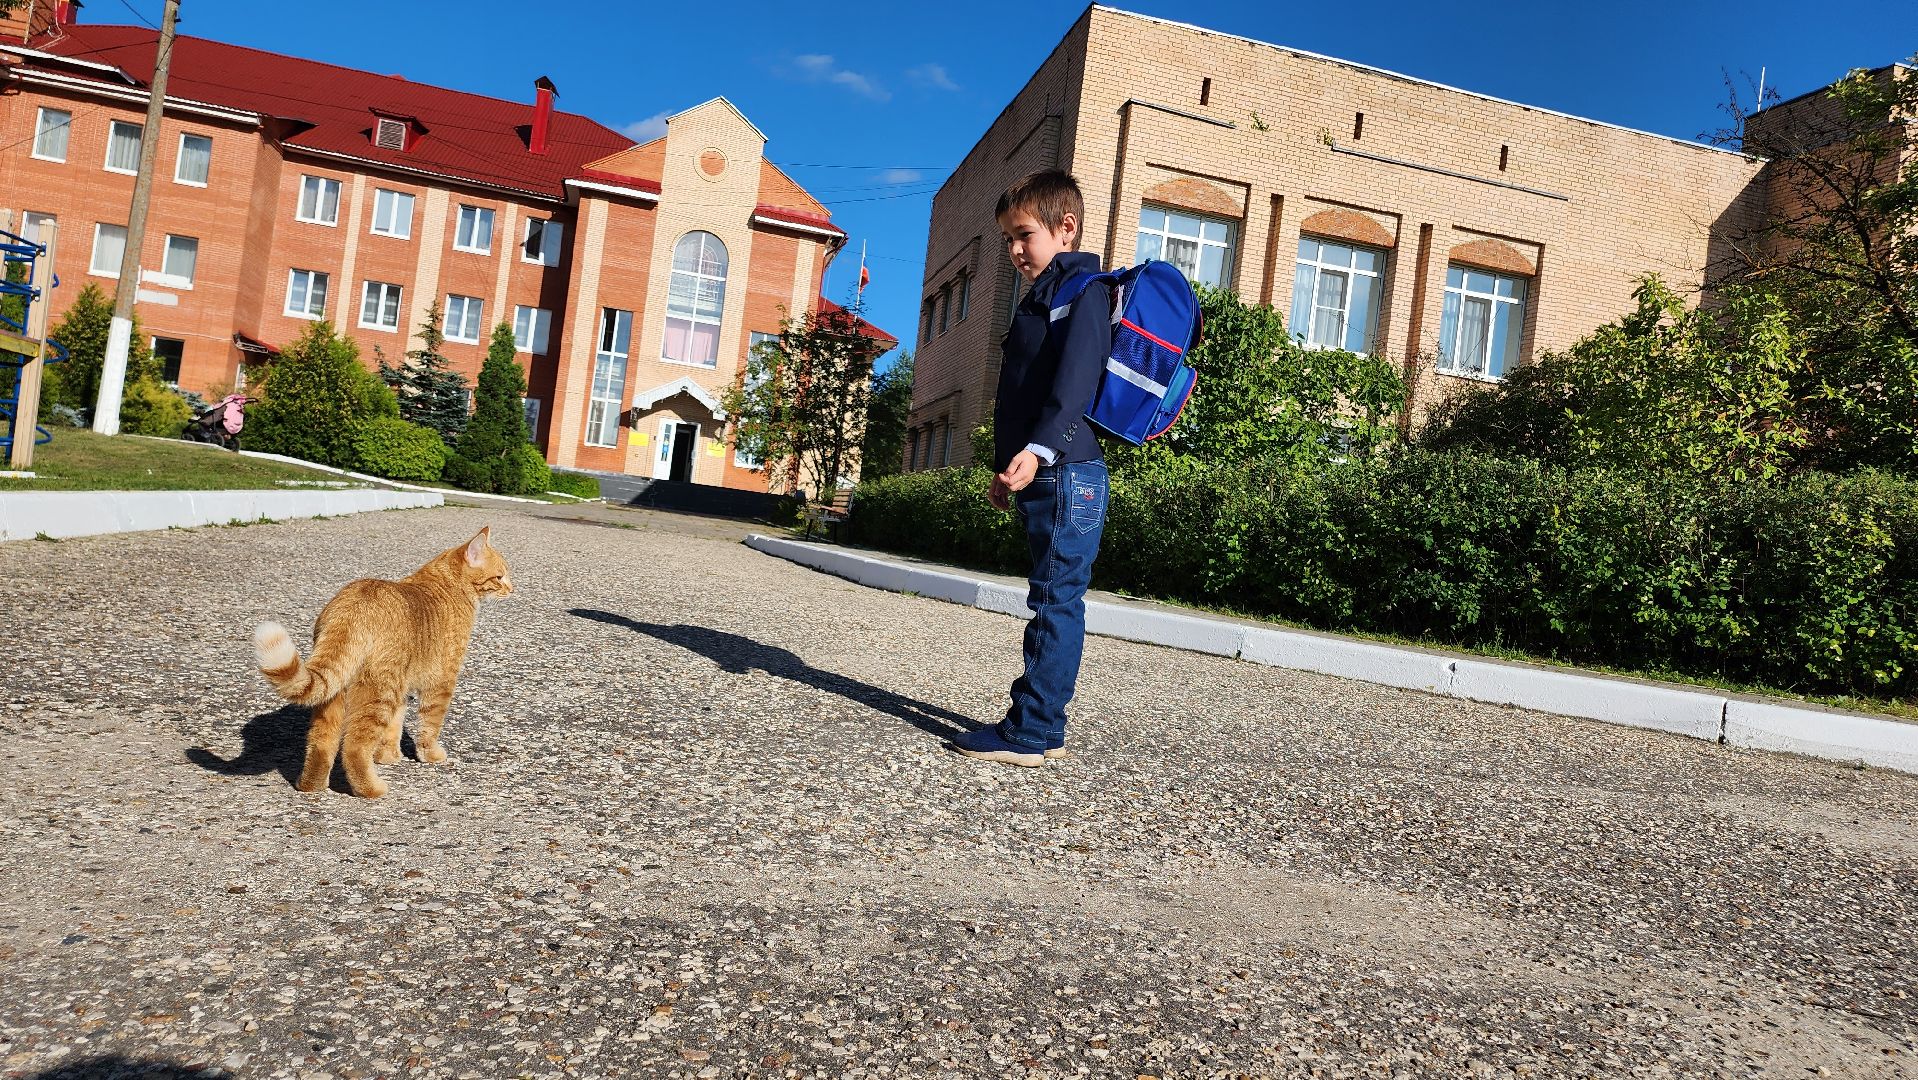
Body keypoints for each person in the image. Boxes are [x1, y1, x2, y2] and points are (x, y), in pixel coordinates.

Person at [949, 170, 1111, 768]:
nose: (1014, 251)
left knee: (1056, 601)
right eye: (1008, 239)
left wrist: (1039, 452)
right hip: (1053, 471)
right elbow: (1022, 392)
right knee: (1052, 597)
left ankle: (1032, 732)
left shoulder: (1083, 290)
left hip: (1070, 472)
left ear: (1065, 228)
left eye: (1023, 235)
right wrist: (1006, 467)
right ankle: (1040, 725)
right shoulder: (1047, 293)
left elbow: (1076, 384)